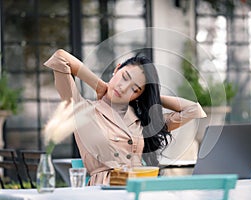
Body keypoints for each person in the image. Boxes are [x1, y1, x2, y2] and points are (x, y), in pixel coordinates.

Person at [44, 49, 207, 185]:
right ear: (117, 69)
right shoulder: (81, 109)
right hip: (104, 190)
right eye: (124, 77)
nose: (123, 88)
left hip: (141, 187)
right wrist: (99, 85)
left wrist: (153, 98)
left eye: (134, 89)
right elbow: (60, 58)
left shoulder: (142, 121)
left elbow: (193, 109)